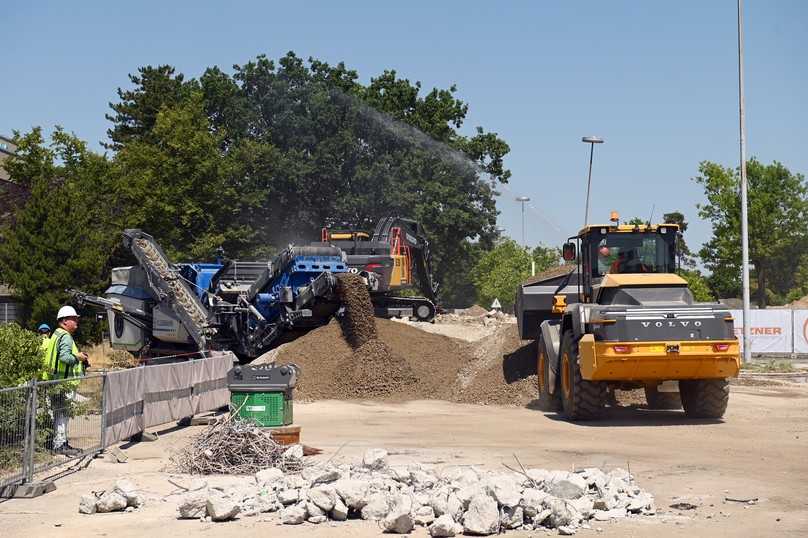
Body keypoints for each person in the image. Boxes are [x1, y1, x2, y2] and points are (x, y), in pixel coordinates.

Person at [42, 305, 90, 456]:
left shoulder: (56, 334)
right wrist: (79, 357)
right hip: (64, 382)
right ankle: (60, 444)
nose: (76, 321)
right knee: (62, 414)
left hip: (55, 381)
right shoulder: (66, 336)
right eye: (73, 319)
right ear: (64, 321)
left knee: (58, 414)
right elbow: (64, 357)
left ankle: (58, 442)